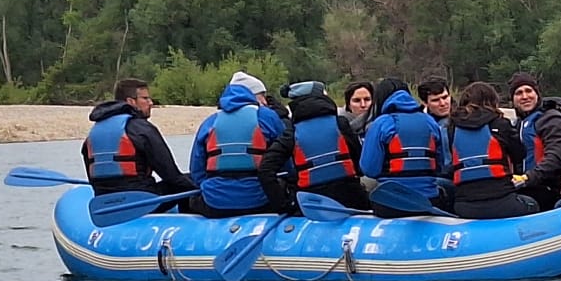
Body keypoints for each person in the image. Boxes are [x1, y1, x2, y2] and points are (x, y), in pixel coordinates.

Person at [185, 70, 288, 218]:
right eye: (262, 96)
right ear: (252, 96)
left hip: (215, 204)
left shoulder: (209, 122)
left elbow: (197, 170)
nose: (265, 102)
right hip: (260, 202)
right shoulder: (267, 116)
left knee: (192, 198)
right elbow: (287, 161)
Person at [82, 77, 196, 204]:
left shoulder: (93, 132)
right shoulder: (141, 128)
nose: (151, 103)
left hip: (104, 201)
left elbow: (92, 178)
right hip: (142, 201)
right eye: (145, 98)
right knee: (190, 180)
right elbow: (172, 176)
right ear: (131, 101)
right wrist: (200, 188)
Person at [265, 80, 370, 212]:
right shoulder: (340, 124)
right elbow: (360, 161)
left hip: (311, 204)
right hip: (352, 199)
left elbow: (266, 169)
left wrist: (283, 205)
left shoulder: (292, 133)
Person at [360, 75, 451, 217]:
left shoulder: (381, 124)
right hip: (429, 201)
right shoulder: (430, 122)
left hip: (391, 204)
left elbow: (369, 169)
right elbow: (441, 165)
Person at [445, 81, 537, 219]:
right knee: (533, 204)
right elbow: (520, 154)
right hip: (502, 201)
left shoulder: (452, 128)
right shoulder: (500, 124)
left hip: (464, 206)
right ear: (492, 101)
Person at [507, 70, 561, 213]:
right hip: (525, 186)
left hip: (548, 187)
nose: (525, 96)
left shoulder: (552, 119)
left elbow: (555, 158)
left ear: (537, 94)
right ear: (513, 100)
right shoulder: (517, 125)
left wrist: (527, 178)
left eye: (529, 91)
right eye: (519, 93)